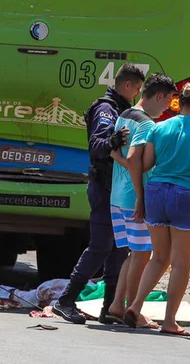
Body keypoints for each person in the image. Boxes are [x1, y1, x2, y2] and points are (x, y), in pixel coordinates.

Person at [124, 83, 190, 337]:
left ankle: (135, 306)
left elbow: (146, 164)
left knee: (159, 257)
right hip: (188, 197)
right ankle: (169, 321)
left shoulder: (159, 128)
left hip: (156, 193)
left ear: (180, 103)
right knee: (180, 263)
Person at [53, 63, 146, 325]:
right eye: (137, 89)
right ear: (127, 85)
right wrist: (114, 141)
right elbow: (97, 146)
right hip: (103, 187)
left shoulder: (120, 109)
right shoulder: (106, 109)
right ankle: (66, 301)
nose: (137, 94)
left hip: (113, 189)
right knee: (101, 246)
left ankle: (109, 308)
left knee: (118, 249)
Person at [106, 73, 177, 327]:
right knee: (142, 254)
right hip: (131, 197)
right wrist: (140, 197)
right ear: (159, 96)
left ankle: (117, 305)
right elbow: (135, 159)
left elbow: (121, 154)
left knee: (133, 254)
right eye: (168, 101)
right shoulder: (147, 124)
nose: (168, 107)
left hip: (117, 196)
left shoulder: (125, 115)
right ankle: (132, 310)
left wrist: (118, 159)